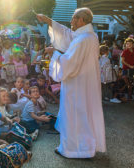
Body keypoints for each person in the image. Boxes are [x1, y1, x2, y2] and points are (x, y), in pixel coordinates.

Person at [37, 7, 106, 158]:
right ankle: (86, 148)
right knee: (84, 116)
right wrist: (48, 20)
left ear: (81, 20)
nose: (71, 21)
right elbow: (68, 34)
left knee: (75, 115)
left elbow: (69, 62)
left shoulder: (83, 39)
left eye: (74, 18)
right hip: (85, 84)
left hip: (77, 85)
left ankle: (73, 150)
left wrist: (53, 53)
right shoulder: (90, 36)